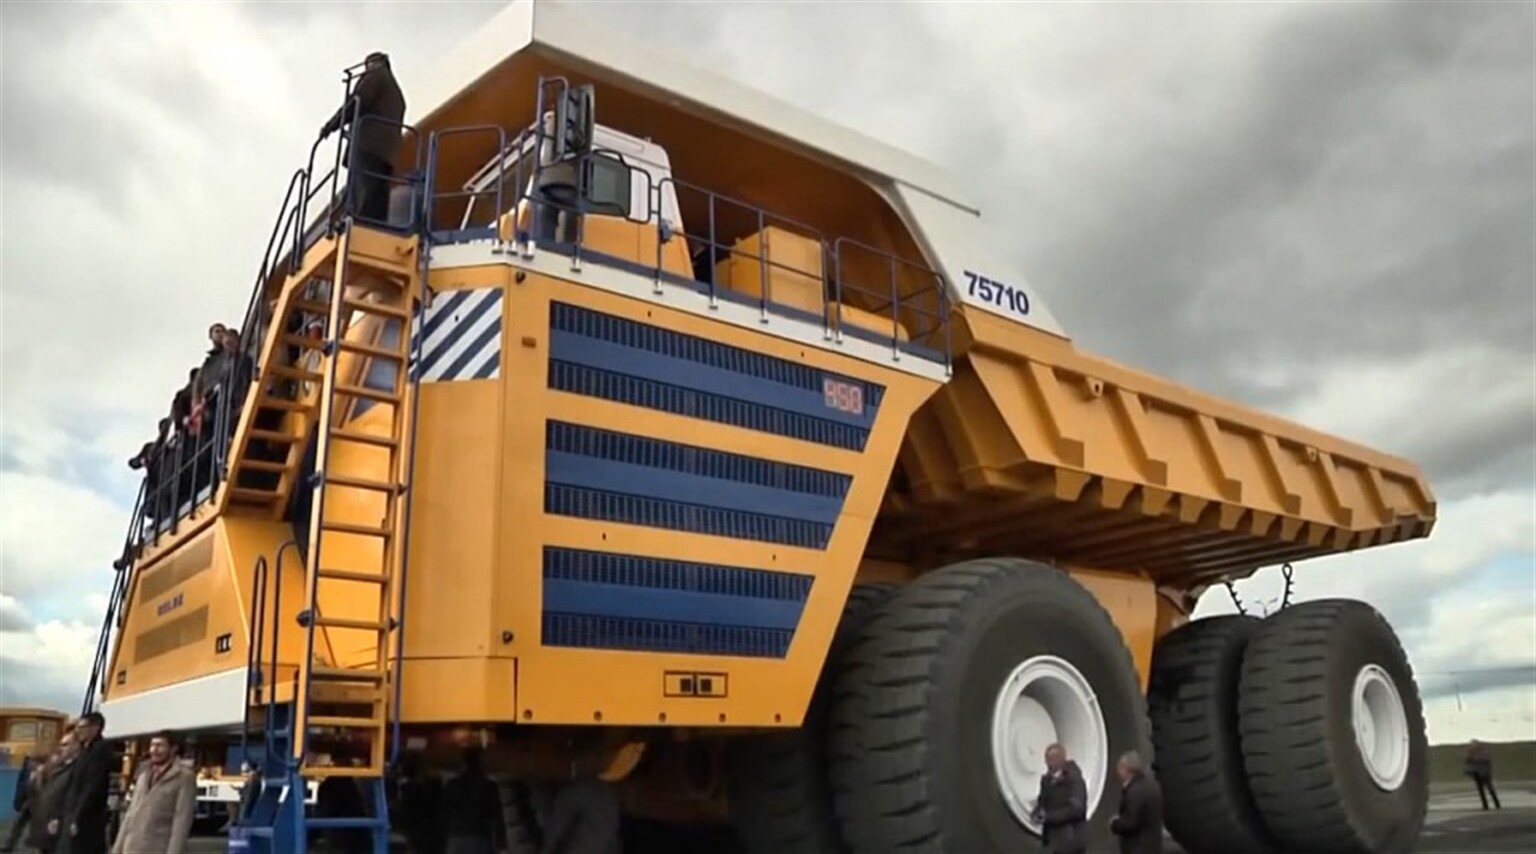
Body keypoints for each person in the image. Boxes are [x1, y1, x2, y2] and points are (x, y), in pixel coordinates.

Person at [321, 51, 407, 223]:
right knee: (376, 196)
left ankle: (356, 222)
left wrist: (332, 125)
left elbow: (357, 101)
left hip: (367, 146)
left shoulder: (376, 75)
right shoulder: (398, 94)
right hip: (386, 155)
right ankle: (374, 226)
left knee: (361, 194)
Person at [111, 731, 196, 854]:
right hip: (131, 848)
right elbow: (130, 815)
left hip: (157, 848)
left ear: (173, 749)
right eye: (152, 745)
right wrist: (117, 848)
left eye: (160, 746)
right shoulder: (143, 775)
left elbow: (181, 822)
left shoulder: (184, 777)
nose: (154, 750)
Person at [63, 711, 113, 854]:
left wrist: (78, 816)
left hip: (89, 817)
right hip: (78, 813)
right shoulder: (86, 749)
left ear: (96, 728)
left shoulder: (100, 750)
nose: (78, 731)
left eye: (82, 727)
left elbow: (93, 786)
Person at [439, 747, 505, 854]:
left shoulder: (452, 785)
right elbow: (496, 815)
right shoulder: (489, 786)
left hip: (456, 835)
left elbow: (443, 812)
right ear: (480, 762)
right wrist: (500, 841)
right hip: (479, 835)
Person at [1030, 743, 1088, 854]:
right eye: (1047, 759)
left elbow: (1077, 809)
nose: (1048, 763)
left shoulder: (1074, 780)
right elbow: (1042, 801)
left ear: (1061, 759)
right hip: (1052, 841)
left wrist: (1049, 817)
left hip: (1070, 841)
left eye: (1051, 759)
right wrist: (1036, 812)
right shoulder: (1046, 780)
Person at [33, 731, 81, 854]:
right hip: (46, 825)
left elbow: (71, 796)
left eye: (65, 745)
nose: (61, 748)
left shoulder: (78, 768)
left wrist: (56, 818)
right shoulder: (58, 767)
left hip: (60, 825)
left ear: (76, 746)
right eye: (61, 745)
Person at [1109, 751, 1164, 854]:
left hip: (1137, 848)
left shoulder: (1133, 791)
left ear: (1125, 769)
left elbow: (1130, 822)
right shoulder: (1153, 786)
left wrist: (1114, 823)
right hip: (1153, 846)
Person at [0, 745, 48, 852]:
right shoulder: (27, 770)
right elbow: (22, 784)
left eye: (32, 761)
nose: (30, 764)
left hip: (39, 803)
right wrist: (19, 799)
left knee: (37, 828)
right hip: (28, 801)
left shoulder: (45, 771)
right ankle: (9, 845)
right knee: (18, 824)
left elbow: (45, 789)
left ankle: (39, 848)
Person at [1465, 739, 1501, 811]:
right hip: (1478, 774)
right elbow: (1468, 764)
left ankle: (1496, 804)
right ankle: (1486, 805)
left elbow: (1487, 763)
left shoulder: (1482, 753)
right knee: (1482, 791)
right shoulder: (1471, 753)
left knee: (1489, 789)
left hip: (1484, 774)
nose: (1472, 746)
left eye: (1473, 745)